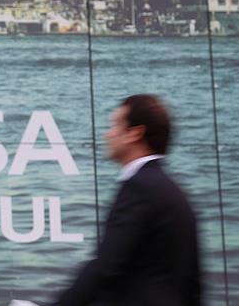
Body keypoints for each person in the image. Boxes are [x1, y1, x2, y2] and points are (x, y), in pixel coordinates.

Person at [52, 94, 202, 306]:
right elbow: (192, 283)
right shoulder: (172, 190)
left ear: (135, 133)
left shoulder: (140, 188)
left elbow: (105, 268)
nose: (107, 134)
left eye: (115, 125)